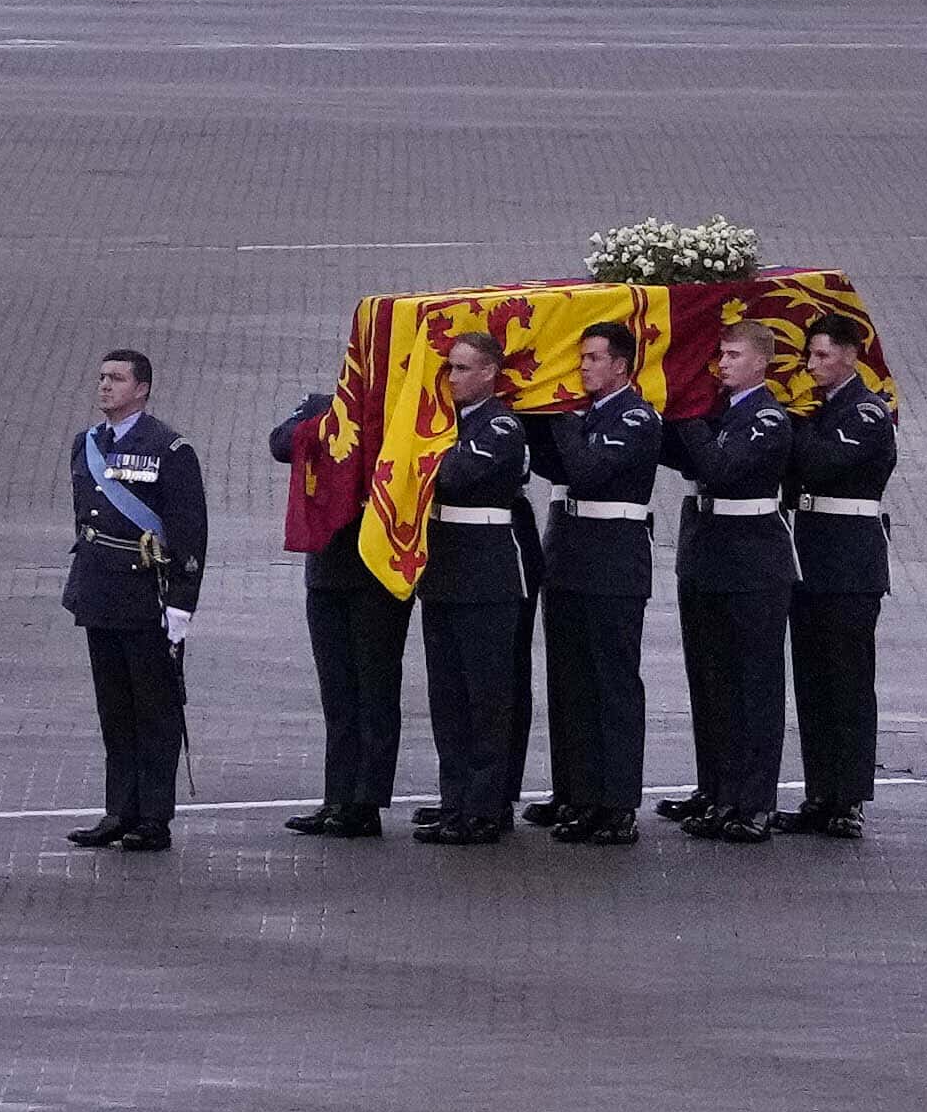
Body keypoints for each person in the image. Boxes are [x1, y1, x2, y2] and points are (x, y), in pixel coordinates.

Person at [661, 312, 803, 842]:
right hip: (706, 557)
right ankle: (719, 791)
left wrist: (688, 413)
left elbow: (721, 469)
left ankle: (754, 803)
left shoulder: (768, 418)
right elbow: (674, 454)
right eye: (719, 355)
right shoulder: (718, 412)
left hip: (753, 564)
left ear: (762, 362)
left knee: (754, 686)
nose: (722, 364)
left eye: (733, 355)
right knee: (712, 681)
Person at [59, 346, 207, 850]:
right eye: (102, 377)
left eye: (117, 379)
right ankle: (118, 811)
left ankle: (153, 818)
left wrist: (182, 604)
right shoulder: (86, 444)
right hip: (100, 592)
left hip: (148, 596)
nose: (105, 386)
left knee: (155, 711)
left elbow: (190, 532)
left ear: (141, 389)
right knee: (115, 711)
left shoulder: (170, 449)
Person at [523, 310, 662, 843]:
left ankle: (618, 804)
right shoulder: (589, 417)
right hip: (572, 561)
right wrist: (537, 412)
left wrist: (558, 413)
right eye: (578, 358)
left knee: (613, 686)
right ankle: (579, 795)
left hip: (614, 566)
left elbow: (585, 469)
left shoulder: (635, 419)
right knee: (571, 685)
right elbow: (553, 467)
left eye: (591, 359)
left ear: (621, 366)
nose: (581, 367)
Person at [405, 322, 540, 844]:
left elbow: (453, 475)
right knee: (448, 698)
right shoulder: (443, 421)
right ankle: (455, 800)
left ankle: (485, 807)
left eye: (462, 368)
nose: (452, 377)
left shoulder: (501, 427)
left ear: (489, 373)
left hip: (488, 575)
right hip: (443, 572)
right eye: (449, 368)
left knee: (487, 698)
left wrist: (420, 452)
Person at [273, 363, 404, 839]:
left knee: (374, 690)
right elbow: (280, 442)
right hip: (327, 567)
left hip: (377, 569)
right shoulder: (323, 406)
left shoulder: (397, 413)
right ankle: (337, 796)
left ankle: (365, 801)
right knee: (337, 693)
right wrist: (330, 421)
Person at [786, 324, 903, 835]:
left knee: (849, 682)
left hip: (851, 564)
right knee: (813, 682)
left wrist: (792, 424)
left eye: (823, 355)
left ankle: (849, 797)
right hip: (810, 557)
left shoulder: (866, 412)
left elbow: (821, 463)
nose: (812, 364)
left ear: (853, 357)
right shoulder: (823, 410)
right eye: (810, 355)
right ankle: (820, 792)